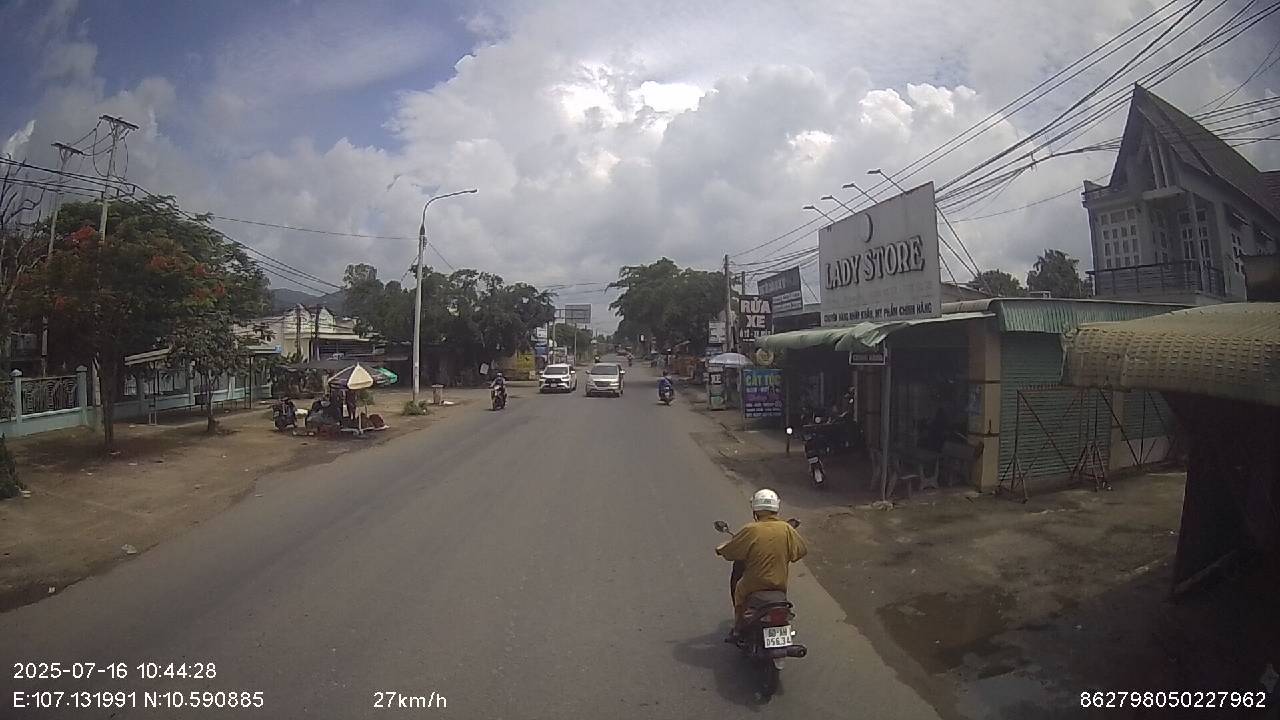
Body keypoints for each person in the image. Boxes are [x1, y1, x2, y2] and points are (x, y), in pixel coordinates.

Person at [715, 489, 808, 640]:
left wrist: (720, 549)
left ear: (755, 510)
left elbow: (731, 551)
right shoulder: (786, 529)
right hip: (779, 584)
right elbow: (801, 551)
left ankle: (738, 627)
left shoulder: (751, 529)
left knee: (739, 590)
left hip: (753, 584)